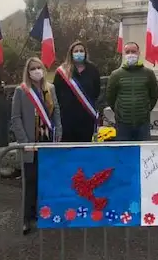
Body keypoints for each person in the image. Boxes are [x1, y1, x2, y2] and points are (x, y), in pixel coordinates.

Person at [11, 57, 62, 234]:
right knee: (30, 181)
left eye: (39, 67)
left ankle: (44, 213)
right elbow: (15, 118)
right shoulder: (21, 91)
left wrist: (58, 136)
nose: (36, 71)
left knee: (46, 178)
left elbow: (56, 113)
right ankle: (27, 217)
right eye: (33, 68)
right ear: (28, 71)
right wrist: (24, 142)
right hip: (31, 144)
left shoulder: (51, 88)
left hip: (48, 140)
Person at [105, 42, 158, 141]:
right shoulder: (116, 75)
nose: (131, 54)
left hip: (143, 123)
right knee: (124, 153)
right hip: (123, 124)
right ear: (124, 54)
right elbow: (110, 97)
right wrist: (119, 111)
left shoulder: (149, 73)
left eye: (133, 51)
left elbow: (154, 95)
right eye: (128, 52)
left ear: (138, 53)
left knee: (144, 153)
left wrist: (145, 109)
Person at [53, 41, 101, 142]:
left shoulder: (93, 70)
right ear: (71, 53)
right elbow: (56, 93)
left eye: (81, 51)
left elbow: (96, 91)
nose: (79, 53)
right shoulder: (62, 71)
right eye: (76, 51)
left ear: (85, 53)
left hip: (87, 117)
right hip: (67, 118)